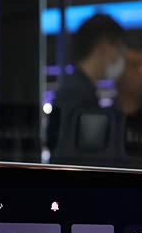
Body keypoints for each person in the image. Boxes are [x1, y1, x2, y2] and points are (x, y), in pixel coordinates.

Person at [47, 14, 126, 158]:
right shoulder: (80, 95)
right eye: (118, 49)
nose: (120, 57)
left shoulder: (74, 87)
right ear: (103, 46)